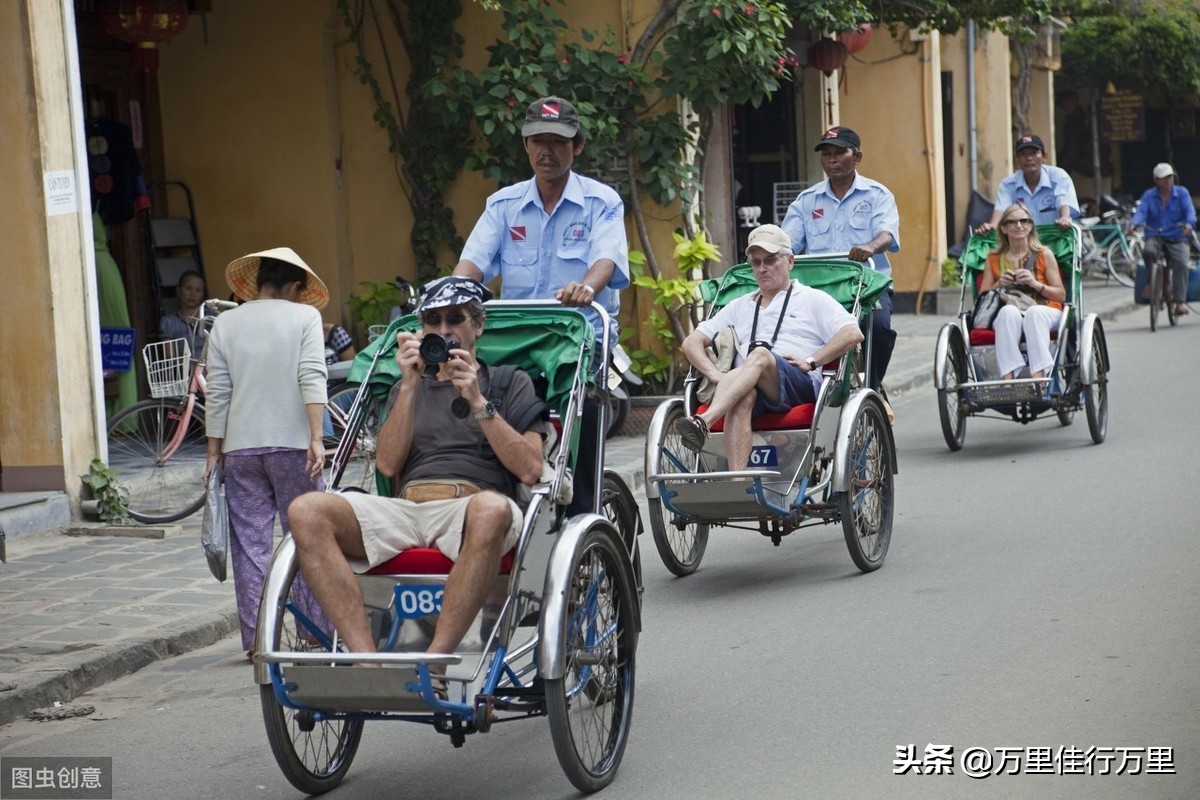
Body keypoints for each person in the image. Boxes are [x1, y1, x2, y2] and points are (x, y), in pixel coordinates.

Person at [287, 277, 548, 673]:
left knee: (492, 509)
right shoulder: (405, 386)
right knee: (306, 510)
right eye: (432, 320)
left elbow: (530, 469)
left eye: (455, 319)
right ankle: (365, 663)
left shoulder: (510, 381)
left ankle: (435, 663)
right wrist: (408, 384)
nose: (443, 331)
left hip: (473, 509)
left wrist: (477, 400)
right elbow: (389, 466)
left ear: (478, 325)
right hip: (406, 509)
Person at [452, 95, 629, 515]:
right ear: (526, 145)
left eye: (557, 141)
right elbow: (469, 268)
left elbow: (606, 259)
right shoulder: (503, 205)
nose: (545, 151)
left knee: (581, 418)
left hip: (578, 341)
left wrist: (586, 287)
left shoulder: (601, 202)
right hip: (517, 342)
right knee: (462, 395)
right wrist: (449, 297)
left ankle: (585, 517)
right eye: (536, 141)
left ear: (577, 145)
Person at [204, 247, 330, 662]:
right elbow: (311, 375)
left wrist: (213, 451)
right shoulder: (305, 318)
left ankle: (260, 641)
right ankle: (314, 634)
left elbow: (218, 392)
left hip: (240, 449)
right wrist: (316, 437)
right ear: (295, 286)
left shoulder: (226, 323)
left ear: (258, 283)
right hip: (293, 445)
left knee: (251, 545)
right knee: (308, 537)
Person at [674, 224, 864, 470]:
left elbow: (852, 333)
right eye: (756, 262)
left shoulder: (812, 299)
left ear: (790, 262)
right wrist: (716, 376)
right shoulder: (739, 305)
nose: (763, 268)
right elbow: (691, 342)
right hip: (744, 383)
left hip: (796, 381)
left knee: (760, 355)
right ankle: (737, 482)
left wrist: (812, 360)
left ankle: (704, 421)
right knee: (744, 396)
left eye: (771, 260)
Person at [780, 125, 898, 394]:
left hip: (866, 286)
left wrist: (870, 246)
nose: (831, 159)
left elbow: (886, 234)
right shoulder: (806, 201)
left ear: (856, 157)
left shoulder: (877, 195)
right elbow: (786, 243)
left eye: (839, 153)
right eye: (826, 154)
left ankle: (873, 389)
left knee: (879, 328)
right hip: (819, 288)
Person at [977, 205, 1066, 381]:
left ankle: (1038, 378)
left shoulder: (1043, 254)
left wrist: (1034, 284)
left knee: (1034, 313)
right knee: (1007, 312)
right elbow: (983, 298)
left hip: (1045, 309)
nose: (1019, 226)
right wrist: (999, 283)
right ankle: (1007, 378)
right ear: (1003, 228)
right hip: (1010, 308)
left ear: (1031, 225)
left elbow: (1061, 295)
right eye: (1012, 222)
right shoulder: (993, 258)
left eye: (1024, 221)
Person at [1129, 162, 1196, 317]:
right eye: (1163, 178)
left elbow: (1189, 211)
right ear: (1156, 180)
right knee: (1148, 252)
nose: (1167, 180)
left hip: (1177, 236)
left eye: (1170, 177)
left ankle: (1180, 302)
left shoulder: (1182, 193)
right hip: (1155, 235)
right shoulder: (1148, 195)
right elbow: (1141, 212)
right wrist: (1133, 224)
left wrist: (1189, 224)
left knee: (1181, 262)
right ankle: (1153, 285)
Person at [978, 134, 1079, 233]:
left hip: (1056, 239)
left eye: (1034, 153)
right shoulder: (1007, 185)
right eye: (1023, 154)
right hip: (1022, 242)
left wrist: (1064, 218)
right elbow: (1001, 211)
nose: (1029, 158)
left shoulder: (1058, 176)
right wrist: (990, 227)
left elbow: (1063, 202)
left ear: (1044, 157)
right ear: (1017, 159)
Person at [159, 269, 207, 358]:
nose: (193, 294)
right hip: (183, 370)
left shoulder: (211, 319)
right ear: (178, 290)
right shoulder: (169, 322)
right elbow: (169, 358)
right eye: (188, 288)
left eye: (198, 290)